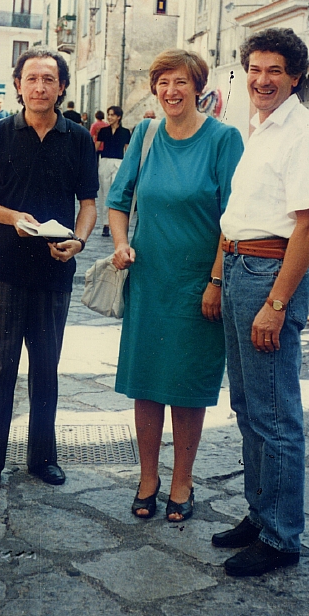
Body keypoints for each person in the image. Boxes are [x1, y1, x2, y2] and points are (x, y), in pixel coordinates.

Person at [213, 28, 309, 577]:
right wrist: (219, 275)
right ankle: (260, 513)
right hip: (241, 267)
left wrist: (278, 302)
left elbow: (308, 226)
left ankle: (282, 537)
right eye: (255, 70)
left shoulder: (305, 134)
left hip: (270, 273)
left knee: (275, 413)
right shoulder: (261, 129)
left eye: (275, 72)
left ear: (295, 77)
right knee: (248, 405)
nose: (262, 81)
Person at [109, 51, 243, 521]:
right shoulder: (145, 136)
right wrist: (122, 242)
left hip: (197, 284)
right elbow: (117, 198)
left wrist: (216, 280)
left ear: (198, 87)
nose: (170, 91)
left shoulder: (224, 139)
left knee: (187, 386)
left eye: (180, 82)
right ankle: (148, 477)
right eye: (162, 81)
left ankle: (182, 481)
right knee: (146, 384)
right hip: (149, 279)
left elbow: (234, 216)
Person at [0, 48, 98, 491]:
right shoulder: (0, 135)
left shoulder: (78, 138)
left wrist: (78, 242)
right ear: (18, 85)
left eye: (48, 79)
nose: (39, 86)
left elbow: (89, 205)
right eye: (31, 79)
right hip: (4, 267)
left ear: (62, 86)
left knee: (46, 367)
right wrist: (12, 217)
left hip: (55, 269)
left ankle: (43, 457)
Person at [97, 106, 131, 237]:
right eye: (108, 115)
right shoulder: (103, 131)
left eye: (112, 115)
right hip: (105, 161)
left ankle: (116, 223)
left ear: (119, 117)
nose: (109, 117)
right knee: (105, 192)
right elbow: (96, 147)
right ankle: (105, 224)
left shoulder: (125, 132)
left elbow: (127, 150)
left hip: (119, 162)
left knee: (116, 192)